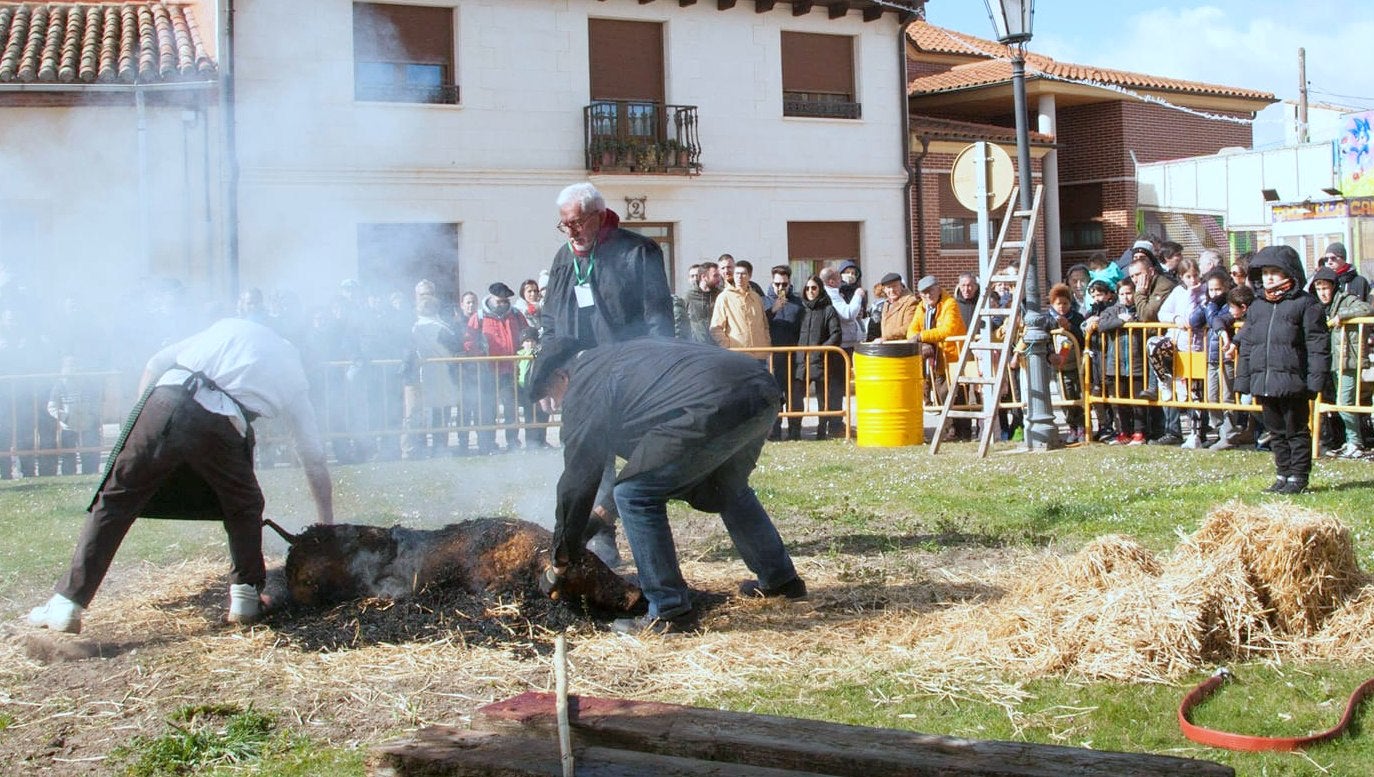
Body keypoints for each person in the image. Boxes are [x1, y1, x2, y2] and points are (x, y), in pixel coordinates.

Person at [27, 317, 335, 634]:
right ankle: (245, 597)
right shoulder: (295, 376)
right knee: (243, 506)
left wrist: (140, 421)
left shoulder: (234, 327)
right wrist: (326, 525)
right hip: (222, 423)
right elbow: (313, 457)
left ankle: (68, 603)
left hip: (164, 400)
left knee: (115, 500)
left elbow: (155, 362)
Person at [528, 337, 805, 634]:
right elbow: (650, 458)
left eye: (550, 395)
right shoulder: (614, 359)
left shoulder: (584, 385)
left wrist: (561, 556)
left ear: (561, 376)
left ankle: (669, 610)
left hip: (716, 402)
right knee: (726, 488)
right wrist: (598, 517)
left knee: (633, 494)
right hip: (761, 389)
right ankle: (781, 580)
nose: (555, 405)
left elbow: (579, 476)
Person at [1234, 245, 1330, 495]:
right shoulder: (1257, 306)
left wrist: (1315, 381)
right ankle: (1282, 474)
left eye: (1275, 272)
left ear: (1289, 273)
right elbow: (1248, 345)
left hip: (1293, 380)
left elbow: (1317, 345)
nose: (1268, 278)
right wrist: (1243, 380)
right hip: (1265, 380)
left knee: (1296, 431)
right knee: (1275, 431)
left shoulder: (1306, 304)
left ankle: (1298, 477)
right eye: (1265, 272)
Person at [541, 182, 673, 350]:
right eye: (565, 225)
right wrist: (551, 360)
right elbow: (550, 319)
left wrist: (657, 363)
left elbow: (658, 317)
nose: (571, 234)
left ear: (600, 217)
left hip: (624, 365)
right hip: (574, 367)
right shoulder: (563, 258)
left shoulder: (639, 251)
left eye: (577, 223)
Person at [1312, 266, 1373, 458]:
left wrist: (1343, 316)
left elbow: (1366, 308)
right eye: (1318, 288)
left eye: (1325, 288)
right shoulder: (1320, 307)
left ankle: (1355, 442)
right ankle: (1351, 441)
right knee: (1341, 403)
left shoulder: (1345, 300)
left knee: (1345, 401)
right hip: (1333, 362)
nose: (1322, 292)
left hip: (1349, 361)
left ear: (1333, 287)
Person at [471, 282, 526, 451]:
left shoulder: (516, 315)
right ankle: (486, 443)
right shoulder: (479, 317)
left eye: (505, 301)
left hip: (509, 370)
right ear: (491, 299)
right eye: (499, 301)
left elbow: (526, 335)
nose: (502, 304)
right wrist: (479, 356)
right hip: (487, 371)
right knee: (488, 408)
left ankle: (512, 442)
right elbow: (469, 341)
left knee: (510, 408)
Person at [905, 275, 967, 409]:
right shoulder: (921, 307)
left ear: (938, 289)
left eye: (930, 291)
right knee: (942, 398)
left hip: (953, 359)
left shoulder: (949, 304)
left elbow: (948, 330)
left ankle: (962, 429)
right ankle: (949, 429)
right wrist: (923, 342)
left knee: (956, 399)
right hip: (936, 362)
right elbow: (911, 331)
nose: (928, 295)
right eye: (924, 293)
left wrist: (922, 336)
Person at [795, 275, 844, 440]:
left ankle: (822, 432)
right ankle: (794, 432)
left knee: (823, 399)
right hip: (801, 361)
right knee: (796, 398)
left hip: (821, 361)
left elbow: (836, 334)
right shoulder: (800, 309)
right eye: (807, 288)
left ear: (820, 289)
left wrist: (821, 350)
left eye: (814, 288)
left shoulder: (828, 309)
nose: (810, 291)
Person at [763, 265, 805, 441]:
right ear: (772, 282)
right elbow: (760, 324)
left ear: (789, 283)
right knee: (775, 396)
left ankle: (795, 431)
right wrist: (773, 310)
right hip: (772, 357)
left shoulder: (797, 303)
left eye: (784, 284)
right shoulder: (764, 301)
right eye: (777, 284)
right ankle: (775, 431)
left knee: (795, 396)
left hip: (793, 355)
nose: (781, 288)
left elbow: (803, 328)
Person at [1046, 283, 1086, 442]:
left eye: (1065, 303)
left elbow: (1082, 339)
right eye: (1058, 304)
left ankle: (1082, 425)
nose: (1062, 307)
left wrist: (1069, 327)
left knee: (1078, 394)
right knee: (1064, 396)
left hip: (1076, 364)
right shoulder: (1048, 319)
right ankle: (1072, 427)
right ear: (1052, 304)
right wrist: (1050, 355)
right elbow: (1046, 340)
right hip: (1058, 367)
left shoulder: (1077, 317)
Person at [710, 260, 770, 357]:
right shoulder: (724, 297)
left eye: (743, 274)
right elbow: (716, 328)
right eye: (737, 274)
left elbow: (765, 325)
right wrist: (728, 346)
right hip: (737, 355)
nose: (739, 277)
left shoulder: (756, 297)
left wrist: (767, 345)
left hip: (760, 354)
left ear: (749, 276)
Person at [684, 260, 722, 345]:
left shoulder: (720, 295)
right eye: (715, 276)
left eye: (718, 276)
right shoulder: (689, 296)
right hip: (697, 345)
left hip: (717, 345)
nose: (718, 279)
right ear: (704, 277)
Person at [872, 273, 918, 343]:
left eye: (895, 286)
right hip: (888, 347)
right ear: (884, 289)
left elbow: (908, 327)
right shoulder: (886, 303)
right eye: (888, 287)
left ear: (901, 286)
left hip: (903, 347)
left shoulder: (910, 301)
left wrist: (886, 337)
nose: (892, 290)